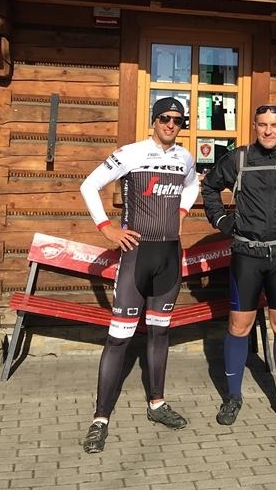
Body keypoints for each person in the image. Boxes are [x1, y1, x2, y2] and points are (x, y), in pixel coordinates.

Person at [78, 97, 199, 454]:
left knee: (160, 333)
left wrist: (181, 211)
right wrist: (106, 228)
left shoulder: (184, 158)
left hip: (168, 257)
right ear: (154, 121)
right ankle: (101, 418)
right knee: (119, 338)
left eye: (178, 120)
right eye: (165, 118)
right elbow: (89, 186)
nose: (171, 124)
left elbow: (192, 185)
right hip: (136, 256)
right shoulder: (131, 154)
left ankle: (157, 404)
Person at [201, 104, 276, 426]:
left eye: (275, 125)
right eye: (263, 124)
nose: (268, 130)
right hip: (247, 255)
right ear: (254, 126)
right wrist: (222, 221)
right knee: (238, 327)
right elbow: (209, 187)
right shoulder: (238, 159)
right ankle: (232, 397)